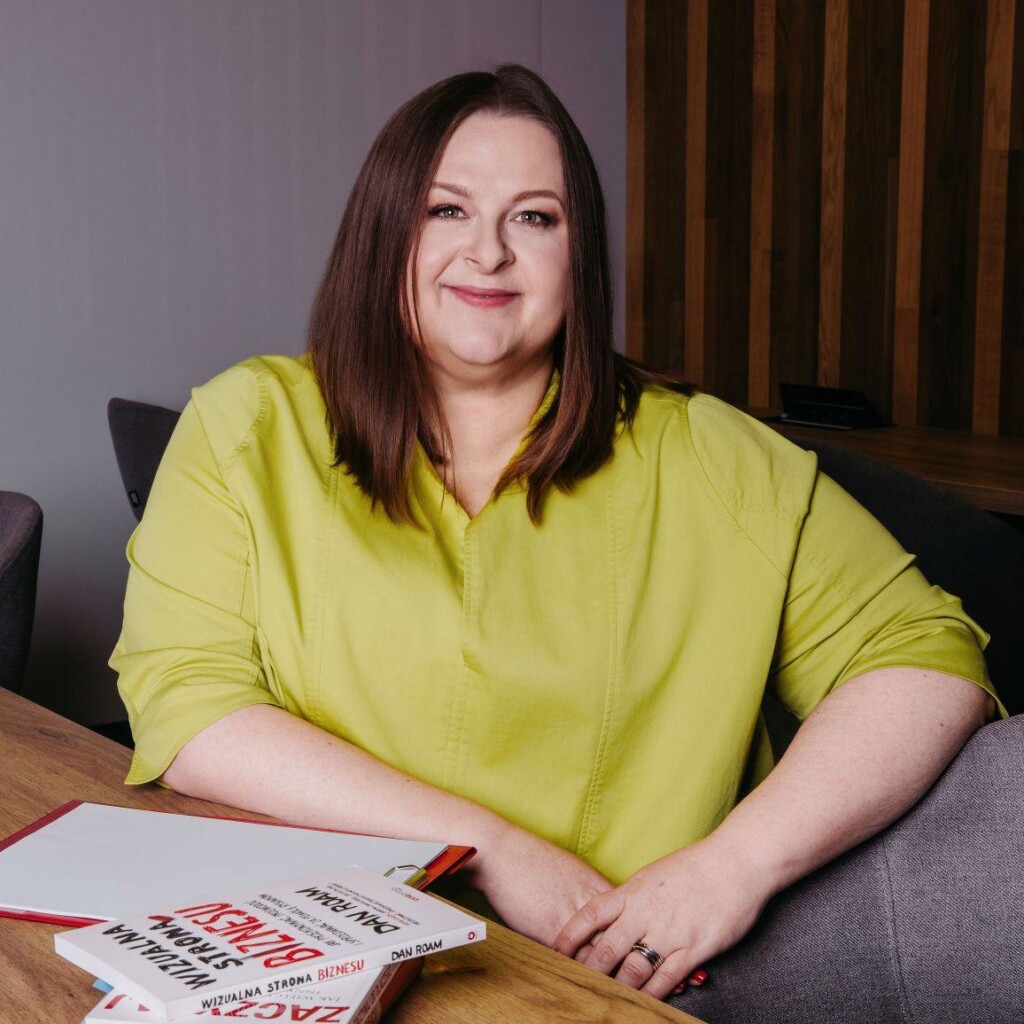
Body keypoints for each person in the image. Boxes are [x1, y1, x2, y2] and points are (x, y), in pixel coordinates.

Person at [111, 65, 1003, 1013]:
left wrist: (733, 867)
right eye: (446, 210)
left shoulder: (714, 456)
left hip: (604, 984)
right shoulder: (247, 423)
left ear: (581, 256)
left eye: (535, 218)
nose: (489, 252)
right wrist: (489, 848)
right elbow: (187, 702)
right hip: (308, 953)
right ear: (383, 233)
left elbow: (925, 655)